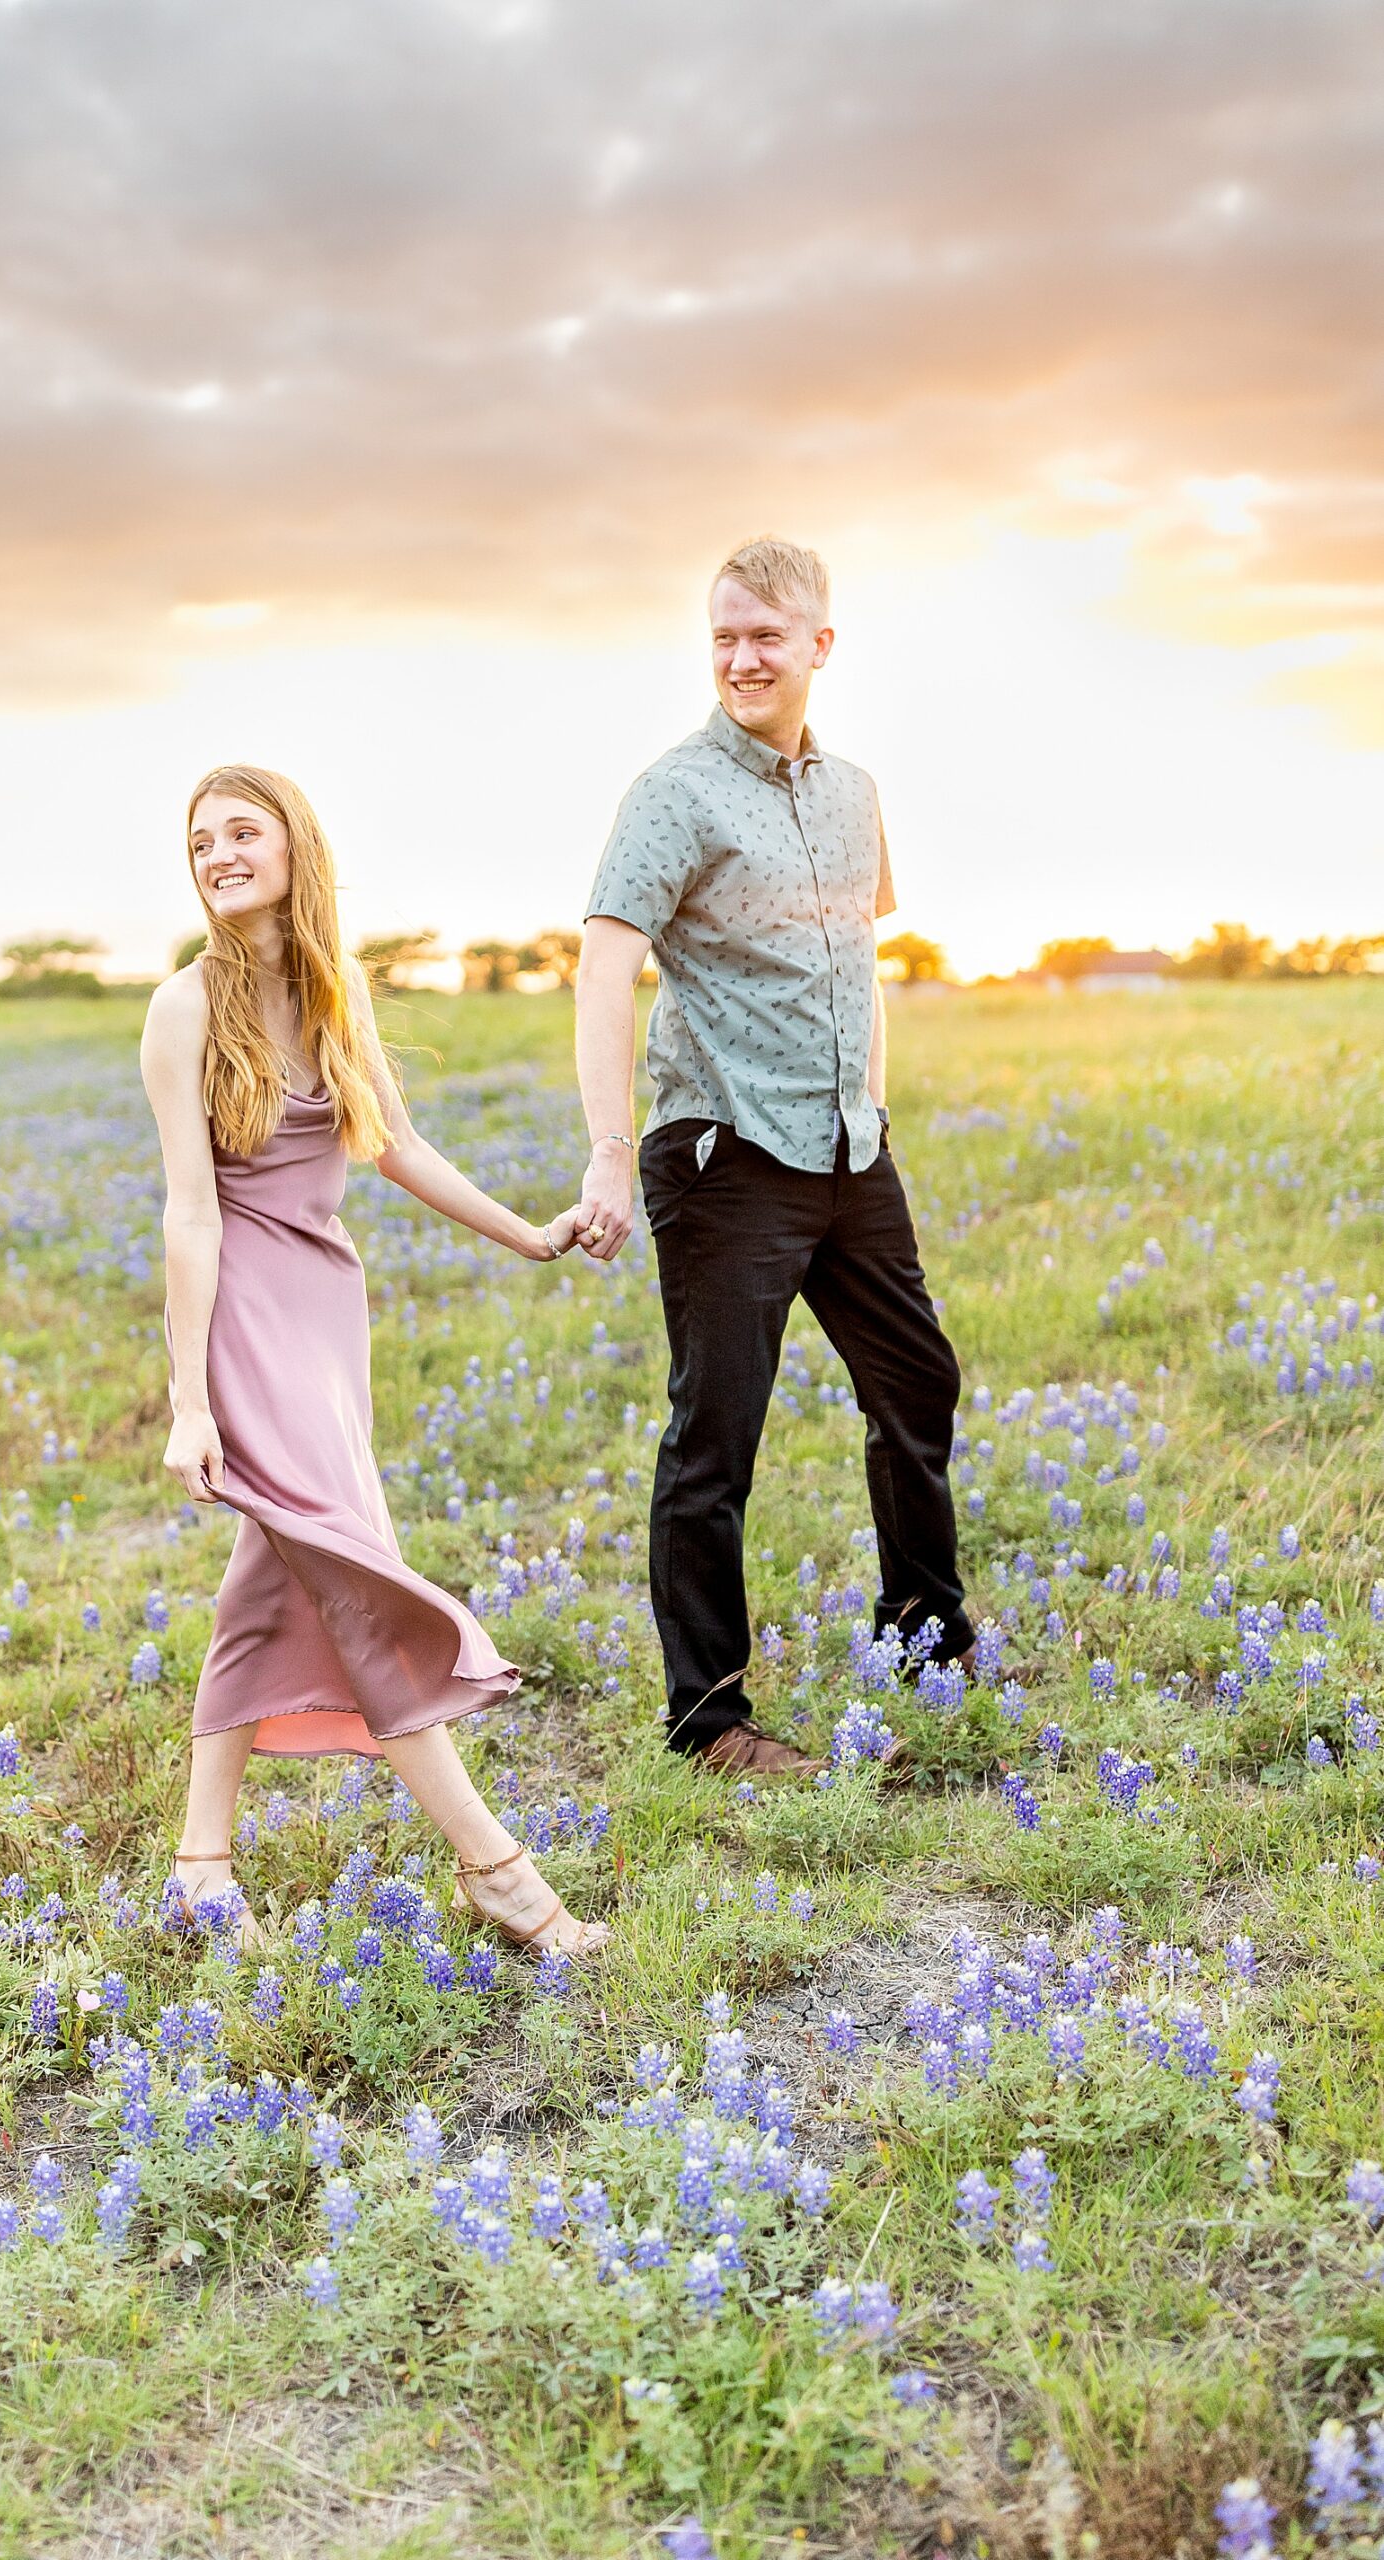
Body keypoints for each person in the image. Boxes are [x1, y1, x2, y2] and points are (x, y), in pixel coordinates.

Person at [139, 762, 607, 1957]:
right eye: (201, 843)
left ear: (295, 846)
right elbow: (190, 1215)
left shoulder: (336, 985)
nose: (219, 854)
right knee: (357, 1578)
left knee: (271, 1580)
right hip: (244, 1316)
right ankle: (501, 1873)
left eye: (241, 831)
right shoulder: (184, 1007)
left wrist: (528, 1231)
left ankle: (201, 1867)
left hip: (323, 1314)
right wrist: (190, 1401)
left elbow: (394, 1142)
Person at [572, 537, 974, 1781]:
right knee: (717, 1433)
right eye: (724, 637)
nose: (743, 658)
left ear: (819, 645)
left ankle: (924, 1634)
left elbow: (852, 956)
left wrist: (875, 1106)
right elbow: (603, 966)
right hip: (725, 1150)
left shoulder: (852, 791)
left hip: (850, 1146)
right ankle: (709, 1721)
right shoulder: (675, 791)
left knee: (917, 1381)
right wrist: (602, 1149)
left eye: (766, 636)